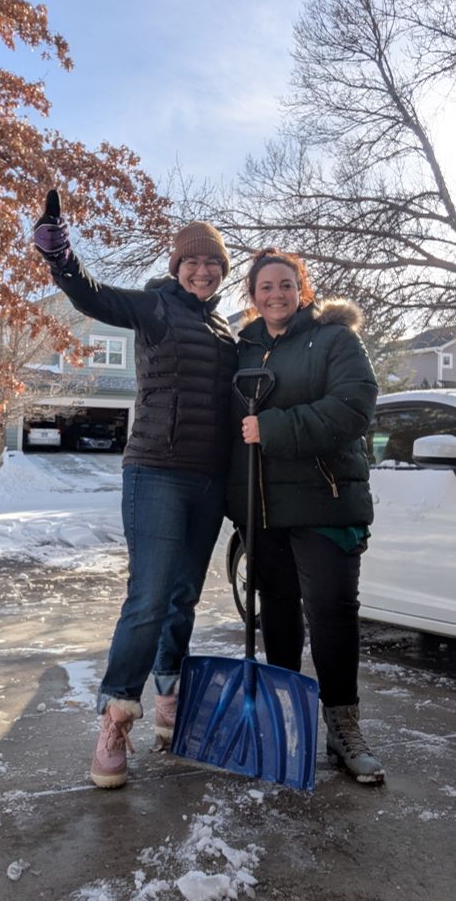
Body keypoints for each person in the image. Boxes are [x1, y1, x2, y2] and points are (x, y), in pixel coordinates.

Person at [33, 208, 237, 788]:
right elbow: (94, 297)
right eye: (192, 260)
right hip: (156, 473)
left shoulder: (225, 333)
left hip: (209, 479)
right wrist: (60, 258)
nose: (202, 270)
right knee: (149, 597)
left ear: (222, 271)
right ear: (177, 267)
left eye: (212, 262)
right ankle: (117, 714)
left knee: (184, 598)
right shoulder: (154, 307)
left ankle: (169, 697)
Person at [226, 248, 385, 784]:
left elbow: (354, 405)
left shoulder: (334, 339)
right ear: (252, 296)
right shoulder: (243, 347)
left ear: (303, 289)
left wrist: (274, 427)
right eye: (265, 287)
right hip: (263, 506)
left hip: (325, 499)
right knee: (277, 615)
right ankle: (282, 718)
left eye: (286, 285)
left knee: (332, 613)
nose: (276, 294)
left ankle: (344, 728)